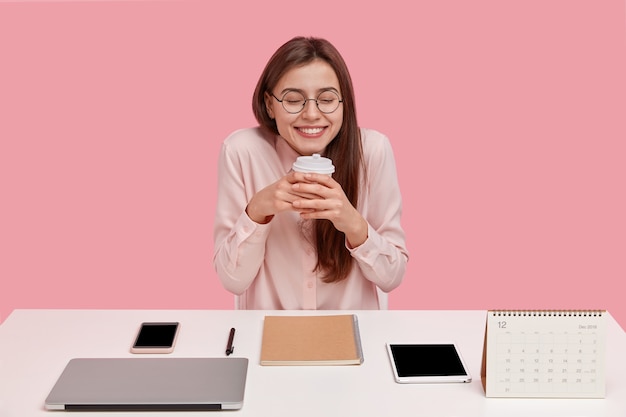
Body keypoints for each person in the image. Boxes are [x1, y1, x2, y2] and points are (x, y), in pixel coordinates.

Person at [213, 36, 408, 309]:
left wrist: (351, 222)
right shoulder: (242, 151)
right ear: (270, 104)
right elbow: (233, 280)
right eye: (294, 100)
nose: (312, 114)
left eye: (327, 99)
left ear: (344, 103)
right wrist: (257, 210)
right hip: (269, 334)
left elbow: (392, 277)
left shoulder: (372, 151)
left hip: (351, 334)